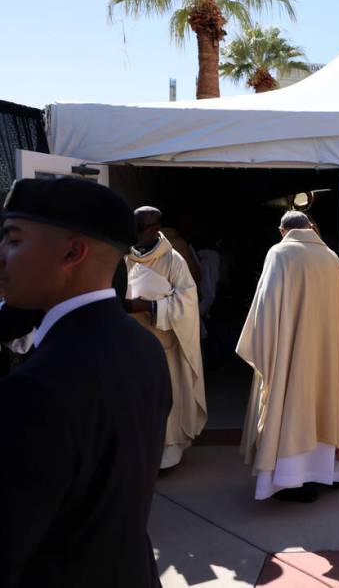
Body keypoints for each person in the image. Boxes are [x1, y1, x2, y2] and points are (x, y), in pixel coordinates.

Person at [0, 178, 170, 588]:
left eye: (13, 240)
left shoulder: (35, 388)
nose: (2, 255)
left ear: (73, 252)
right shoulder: (143, 347)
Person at [237, 211, 339, 503]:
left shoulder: (280, 253)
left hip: (294, 357)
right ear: (310, 227)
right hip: (330, 357)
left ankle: (293, 479)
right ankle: (332, 472)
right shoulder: (331, 257)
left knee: (292, 406)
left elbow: (266, 307)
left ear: (282, 230)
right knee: (327, 405)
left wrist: (266, 346)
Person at [125, 206, 207, 469]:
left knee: (163, 401)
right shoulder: (123, 257)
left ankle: (165, 457)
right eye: (135, 227)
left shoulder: (173, 260)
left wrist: (150, 306)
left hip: (163, 347)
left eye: (143, 228)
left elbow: (188, 302)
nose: (137, 233)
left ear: (155, 229)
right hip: (131, 347)